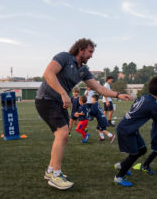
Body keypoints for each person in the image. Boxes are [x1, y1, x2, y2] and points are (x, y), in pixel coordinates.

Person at [35, 38, 132, 190]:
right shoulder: (64, 57)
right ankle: (56, 175)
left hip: (59, 102)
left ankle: (50, 170)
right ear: (80, 49)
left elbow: (99, 88)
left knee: (62, 135)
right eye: (90, 51)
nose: (91, 55)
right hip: (46, 99)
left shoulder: (83, 70)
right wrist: (63, 94)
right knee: (63, 133)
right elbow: (48, 74)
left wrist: (118, 95)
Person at [113, 77, 157, 187]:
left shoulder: (144, 97)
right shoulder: (153, 105)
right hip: (126, 130)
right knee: (134, 154)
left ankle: (122, 165)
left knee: (142, 150)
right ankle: (119, 177)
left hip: (130, 128)